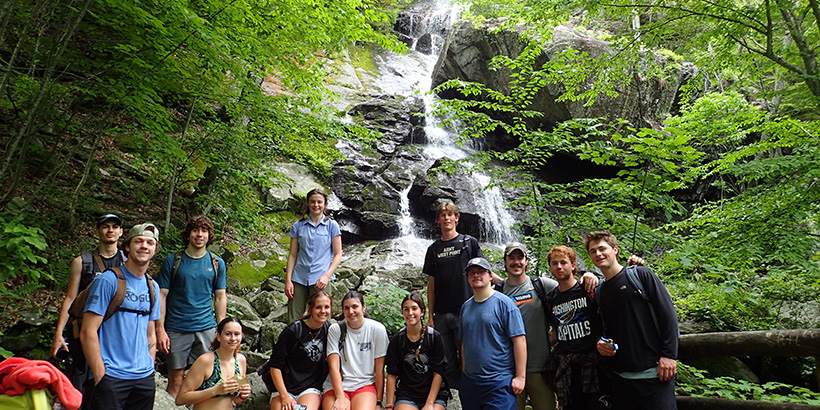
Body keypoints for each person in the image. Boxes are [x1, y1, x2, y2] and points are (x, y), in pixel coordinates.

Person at [495, 242, 599, 410]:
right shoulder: (497, 291)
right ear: (505, 262)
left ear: (526, 261)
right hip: (509, 369)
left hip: (541, 367)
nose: (516, 262)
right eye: (511, 258)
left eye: (520, 258)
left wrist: (589, 275)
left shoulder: (542, 285)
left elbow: (568, 287)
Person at [584, 231, 679, 410]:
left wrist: (669, 355)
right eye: (593, 251)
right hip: (621, 378)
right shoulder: (599, 291)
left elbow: (667, 315)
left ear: (615, 250)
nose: (598, 254)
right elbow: (601, 329)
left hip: (655, 373)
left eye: (602, 248)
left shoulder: (640, 275)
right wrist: (599, 342)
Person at [80, 222, 162, 410]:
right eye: (138, 241)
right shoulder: (108, 280)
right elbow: (87, 330)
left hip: (143, 378)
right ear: (127, 246)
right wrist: (100, 374)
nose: (144, 246)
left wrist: (149, 369)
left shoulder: (153, 287)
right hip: (111, 376)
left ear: (155, 249)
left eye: (150, 243)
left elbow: (151, 333)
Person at [423, 201, 501, 389]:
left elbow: (485, 271)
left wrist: (509, 284)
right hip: (441, 313)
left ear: (456, 218)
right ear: (438, 221)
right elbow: (431, 284)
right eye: (442, 215)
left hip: (466, 310)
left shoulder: (468, 243)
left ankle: (471, 393)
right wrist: (430, 316)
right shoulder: (433, 249)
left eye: (450, 214)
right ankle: (454, 395)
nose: (446, 218)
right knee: (447, 359)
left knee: (469, 354)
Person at [51, 213, 127, 391]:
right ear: (97, 231)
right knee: (80, 377)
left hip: (117, 329)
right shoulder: (82, 262)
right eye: (105, 226)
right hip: (83, 328)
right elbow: (70, 298)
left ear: (121, 232)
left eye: (114, 227)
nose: (110, 230)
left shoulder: (128, 262)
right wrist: (59, 334)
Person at [156, 215, 228, 397]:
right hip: (176, 327)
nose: (199, 235)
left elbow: (220, 297)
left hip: (206, 328)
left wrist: (223, 329)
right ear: (188, 235)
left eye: (204, 231)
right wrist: (160, 329)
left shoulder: (216, 263)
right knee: (176, 379)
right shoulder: (172, 261)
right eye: (195, 230)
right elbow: (161, 296)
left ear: (209, 235)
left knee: (207, 378)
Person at [544, 245, 611, 410]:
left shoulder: (588, 289)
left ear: (573, 265)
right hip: (568, 368)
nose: (559, 267)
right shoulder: (550, 299)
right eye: (554, 263)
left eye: (563, 262)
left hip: (595, 364)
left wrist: (590, 275)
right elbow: (555, 330)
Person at [459, 257, 526, 410]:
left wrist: (520, 377)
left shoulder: (505, 304)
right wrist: (464, 373)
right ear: (468, 278)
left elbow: (519, 340)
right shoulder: (465, 307)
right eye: (472, 273)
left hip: (498, 382)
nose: (476, 276)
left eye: (481, 272)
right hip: (471, 383)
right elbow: (464, 342)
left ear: (490, 275)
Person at [322, 291, 389, 410]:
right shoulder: (335, 329)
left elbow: (379, 370)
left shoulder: (377, 329)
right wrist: (340, 397)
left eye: (355, 307)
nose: (351, 312)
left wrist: (378, 402)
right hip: (337, 386)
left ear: (363, 308)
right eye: (346, 308)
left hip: (364, 384)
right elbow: (334, 367)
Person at [286, 188, 343, 324]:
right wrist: (288, 280)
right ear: (308, 204)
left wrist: (326, 276)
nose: (316, 205)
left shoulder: (332, 226)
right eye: (312, 202)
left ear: (324, 204)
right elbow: (293, 255)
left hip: (321, 279)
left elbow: (338, 254)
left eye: (319, 202)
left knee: (322, 318)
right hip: (299, 278)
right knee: (294, 319)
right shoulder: (298, 226)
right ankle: (294, 344)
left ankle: (322, 345)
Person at [268, 291, 332, 410]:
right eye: (318, 307)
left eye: (326, 307)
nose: (323, 311)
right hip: (284, 387)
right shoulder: (293, 331)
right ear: (310, 308)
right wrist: (285, 396)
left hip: (310, 388)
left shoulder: (329, 330)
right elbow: (275, 366)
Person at [385, 293, 448, 410]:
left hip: (434, 395)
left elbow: (438, 372)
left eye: (414, 309)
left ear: (422, 312)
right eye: (406, 309)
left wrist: (429, 403)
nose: (410, 313)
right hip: (407, 395)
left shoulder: (434, 337)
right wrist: (389, 405)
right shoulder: (397, 340)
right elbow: (392, 373)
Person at [176, 317, 252, 409]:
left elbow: (235, 399)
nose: (233, 338)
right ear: (218, 336)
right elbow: (181, 399)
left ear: (242, 336)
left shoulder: (241, 360)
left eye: (237, 334)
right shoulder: (205, 361)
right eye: (228, 334)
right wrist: (215, 390)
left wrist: (243, 394)